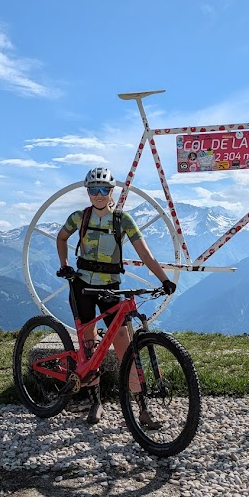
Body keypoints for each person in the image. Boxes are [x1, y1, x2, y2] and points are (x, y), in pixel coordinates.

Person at [56, 166, 177, 425]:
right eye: (93, 190)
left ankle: (142, 408)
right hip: (82, 287)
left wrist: (164, 280)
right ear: (88, 192)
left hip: (111, 287)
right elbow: (62, 237)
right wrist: (65, 264)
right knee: (88, 344)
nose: (99, 195)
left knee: (124, 343)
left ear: (112, 192)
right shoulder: (79, 217)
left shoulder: (123, 220)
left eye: (104, 190)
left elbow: (146, 254)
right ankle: (95, 402)